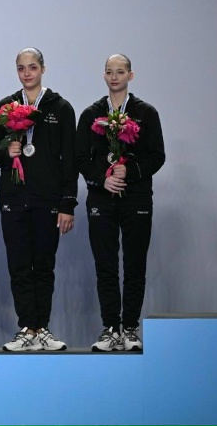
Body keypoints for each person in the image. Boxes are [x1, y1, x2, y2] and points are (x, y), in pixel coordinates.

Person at [76, 54, 165, 352]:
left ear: (130, 75)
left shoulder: (146, 113)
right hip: (101, 199)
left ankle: (130, 329)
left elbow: (157, 156)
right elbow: (80, 158)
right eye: (110, 72)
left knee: (135, 265)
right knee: (106, 266)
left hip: (136, 198)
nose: (115, 77)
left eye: (120, 72)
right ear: (104, 76)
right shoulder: (91, 114)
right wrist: (102, 179)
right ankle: (110, 329)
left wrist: (132, 171)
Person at [0, 47, 77, 352]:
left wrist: (67, 204)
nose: (27, 73)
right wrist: (7, 153)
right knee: (19, 266)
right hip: (14, 198)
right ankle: (27, 328)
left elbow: (70, 160)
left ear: (43, 69)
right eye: (21, 68)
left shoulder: (61, 108)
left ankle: (43, 329)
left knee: (43, 266)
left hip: (47, 199)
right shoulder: (4, 107)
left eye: (32, 67)